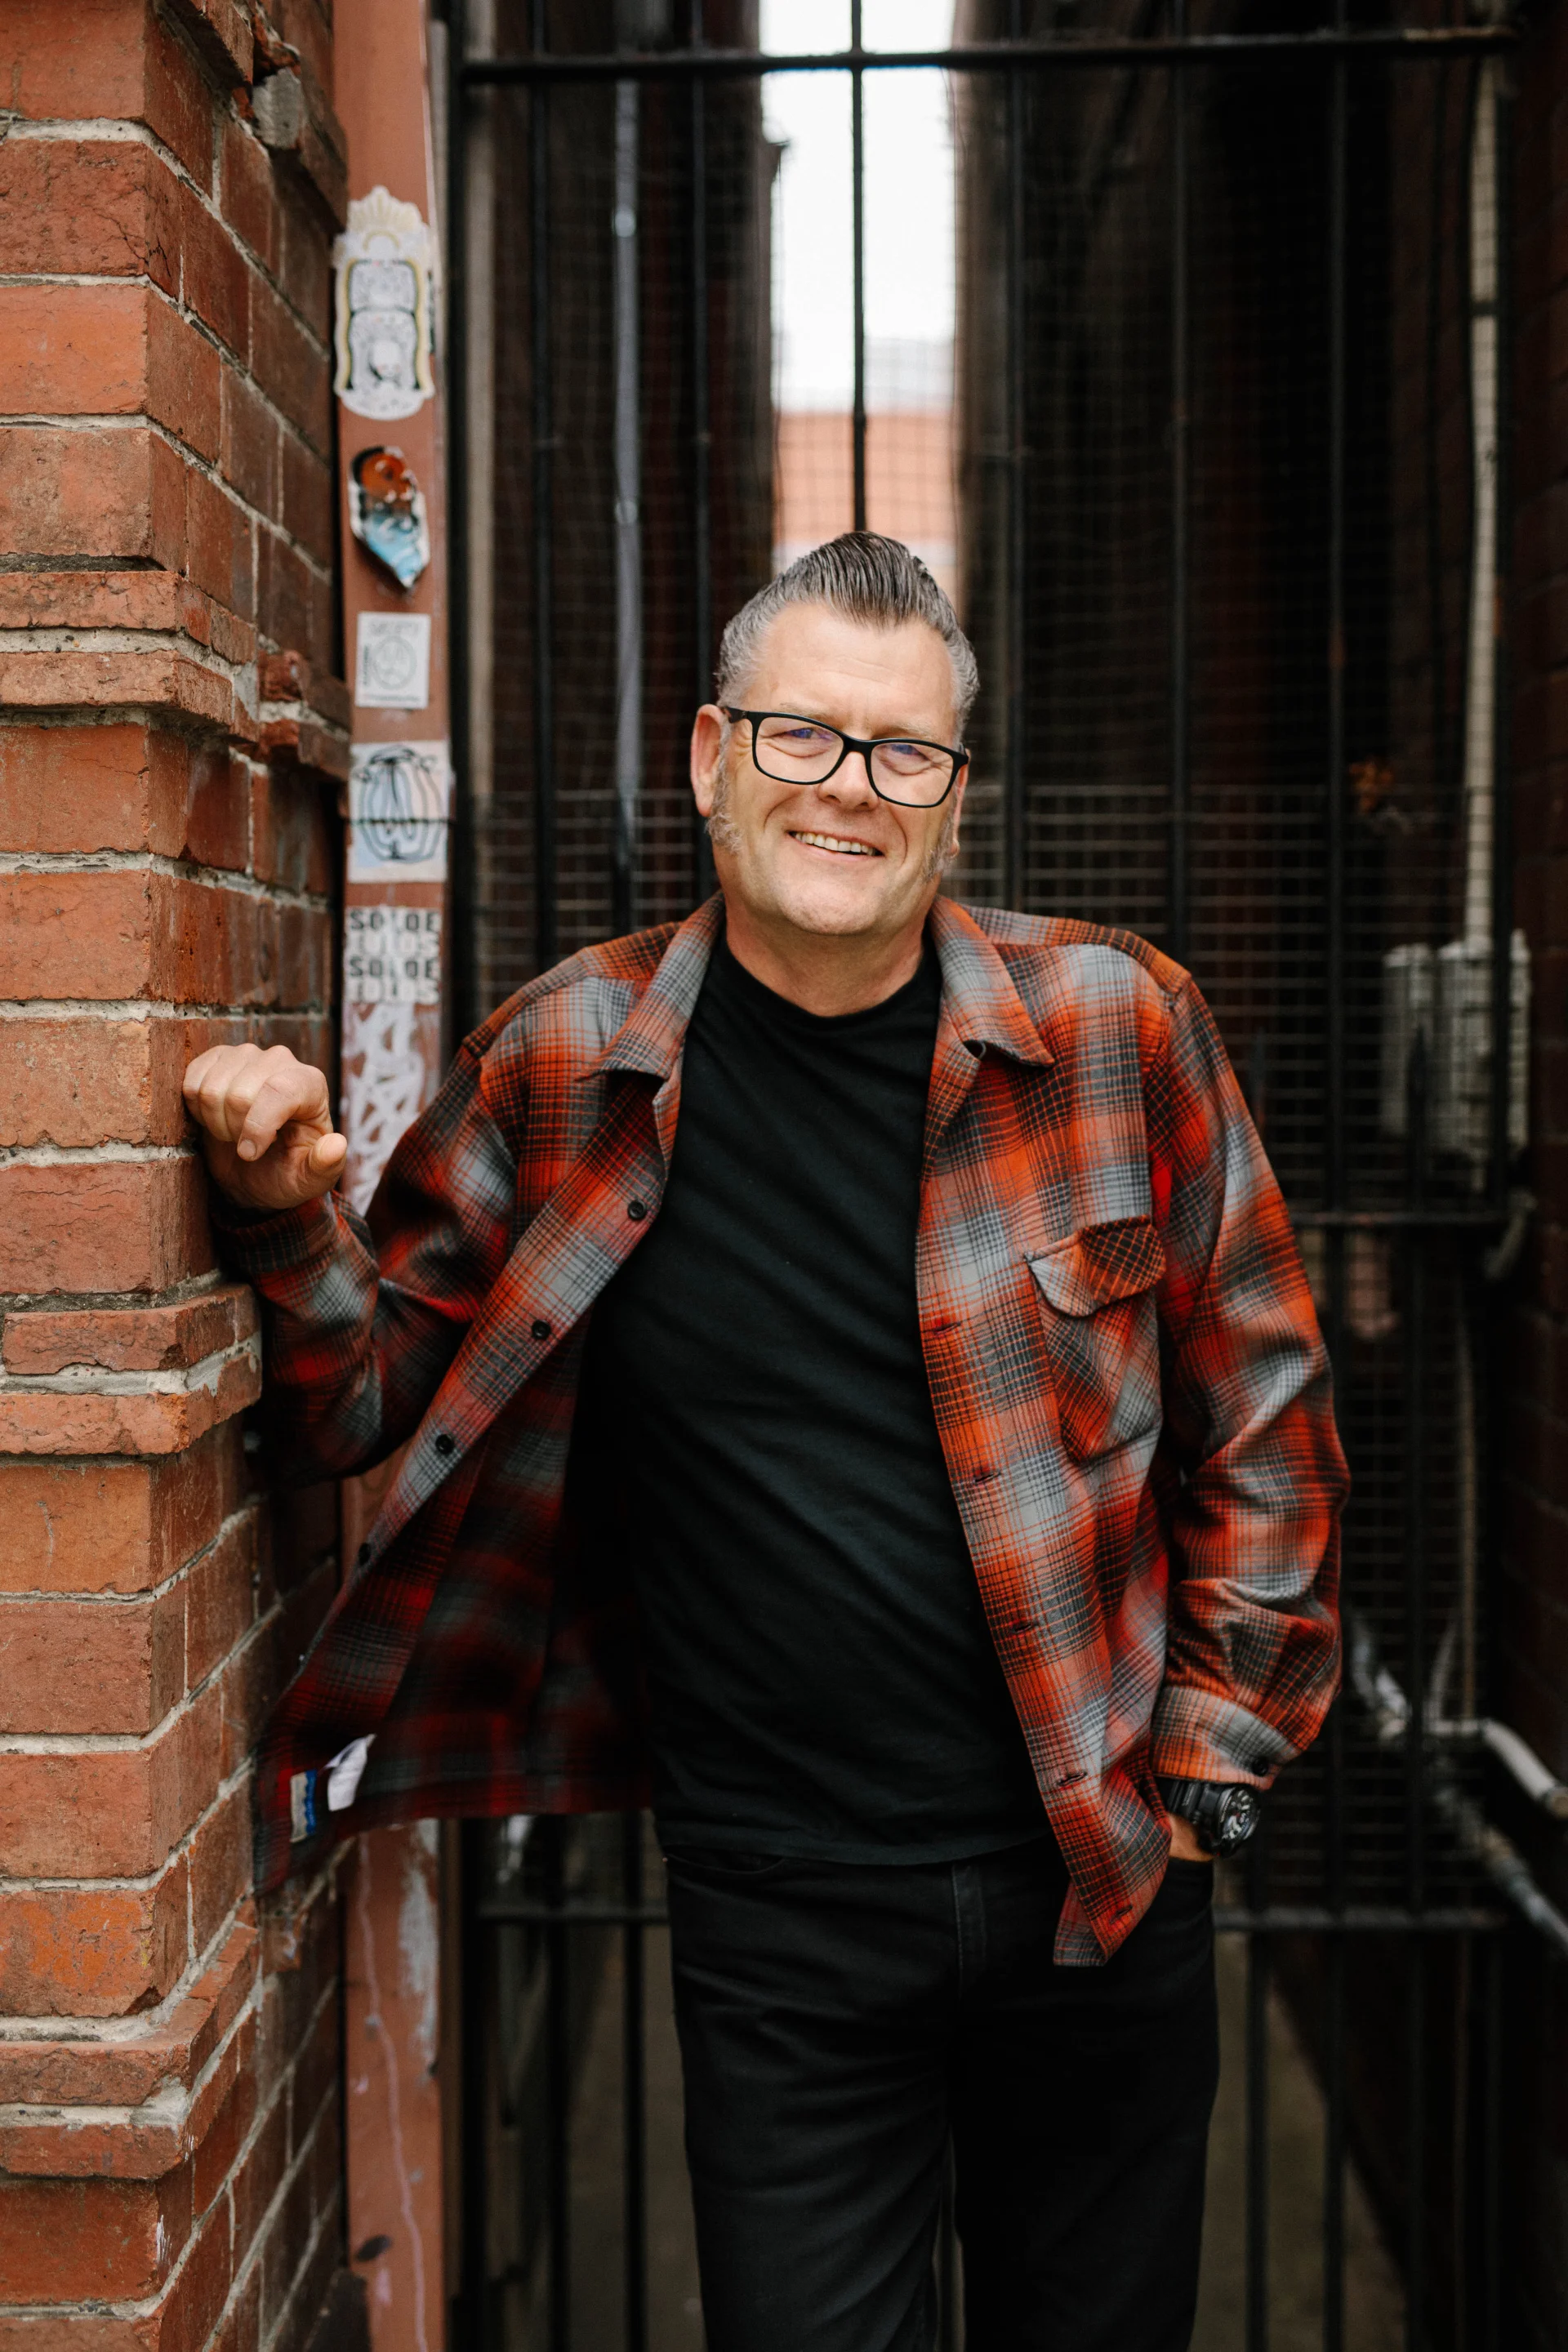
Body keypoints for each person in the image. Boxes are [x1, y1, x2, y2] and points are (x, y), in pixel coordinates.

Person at [185, 532, 1345, 2352]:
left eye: (904, 753)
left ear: (955, 798)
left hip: (1100, 1888)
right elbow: (366, 1403)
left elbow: (1265, 1419)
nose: (851, 792)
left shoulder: (1120, 1030)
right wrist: (273, 1217)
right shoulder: (562, 1065)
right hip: (779, 1915)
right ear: (716, 760)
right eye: (805, 737)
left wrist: (1206, 1780)